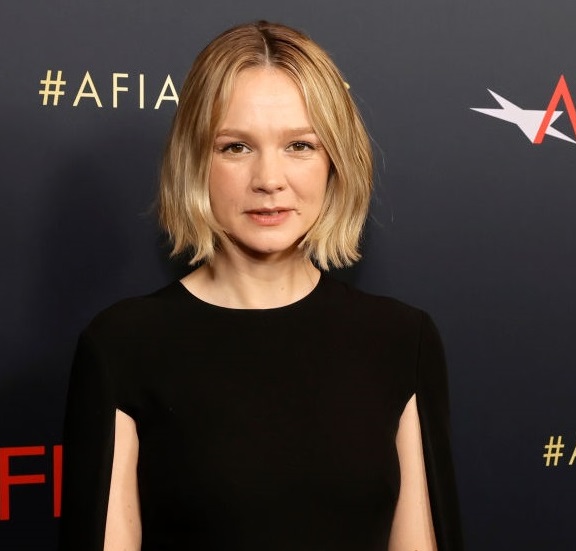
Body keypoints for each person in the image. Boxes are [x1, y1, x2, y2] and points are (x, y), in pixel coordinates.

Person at [58, 20, 462, 551]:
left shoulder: (401, 340)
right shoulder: (123, 346)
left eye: (299, 145)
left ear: (334, 161)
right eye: (236, 147)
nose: (269, 179)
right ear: (195, 161)